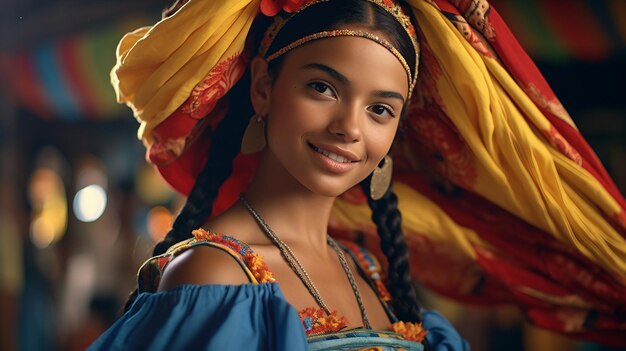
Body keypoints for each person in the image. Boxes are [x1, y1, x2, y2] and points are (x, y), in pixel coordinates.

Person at [91, 0, 626, 349]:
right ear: (261, 88)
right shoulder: (213, 278)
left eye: (380, 109)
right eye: (323, 88)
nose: (350, 127)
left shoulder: (371, 269)